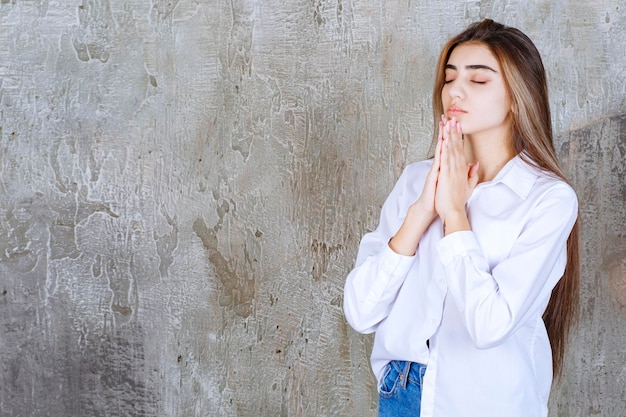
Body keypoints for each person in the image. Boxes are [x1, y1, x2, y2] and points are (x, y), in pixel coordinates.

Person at [343, 19, 580, 417]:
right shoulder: (417, 180)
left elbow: (490, 326)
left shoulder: (548, 199)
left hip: (487, 403)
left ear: (518, 96)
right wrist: (422, 212)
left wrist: (455, 215)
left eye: (479, 80)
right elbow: (361, 312)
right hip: (403, 395)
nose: (455, 90)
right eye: (449, 77)